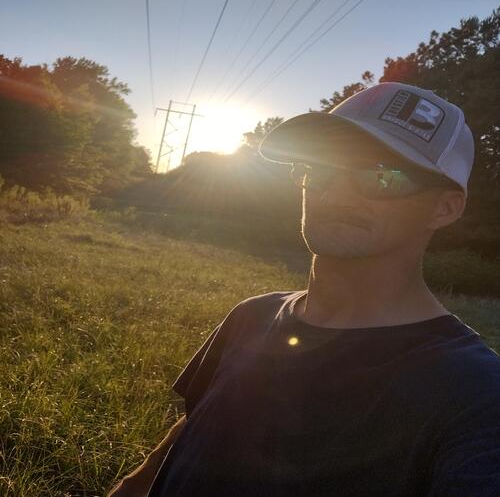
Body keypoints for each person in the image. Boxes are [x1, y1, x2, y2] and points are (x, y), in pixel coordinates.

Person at [108, 82, 500, 497]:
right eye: (321, 167)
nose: (335, 193)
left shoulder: (476, 392)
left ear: (445, 207)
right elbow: (196, 426)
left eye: (382, 175)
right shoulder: (251, 316)